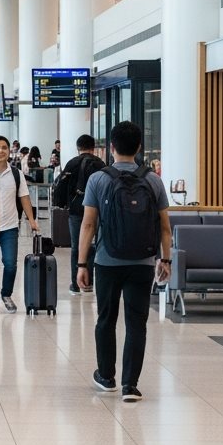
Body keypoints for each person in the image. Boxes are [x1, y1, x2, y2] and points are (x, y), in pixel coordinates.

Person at [76, 121, 171, 404]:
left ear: (112, 148)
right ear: (139, 147)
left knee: (106, 319)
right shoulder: (153, 180)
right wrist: (165, 259)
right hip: (142, 262)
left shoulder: (99, 179)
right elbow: (165, 226)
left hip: (107, 261)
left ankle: (106, 377)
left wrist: (82, 264)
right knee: (136, 323)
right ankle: (131, 385)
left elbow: (88, 225)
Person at [0, 135, 40, 313]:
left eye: (4, 147)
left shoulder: (16, 173)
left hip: (10, 225)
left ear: (9, 151)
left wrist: (32, 220)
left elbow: (24, 198)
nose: (0, 151)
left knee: (10, 263)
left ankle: (6, 294)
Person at [57, 135, 106, 295]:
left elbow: (62, 186)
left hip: (76, 210)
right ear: (93, 148)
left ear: (78, 147)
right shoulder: (100, 164)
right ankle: (90, 281)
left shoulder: (72, 163)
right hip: (97, 211)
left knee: (77, 245)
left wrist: (63, 204)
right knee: (94, 245)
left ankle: (76, 283)